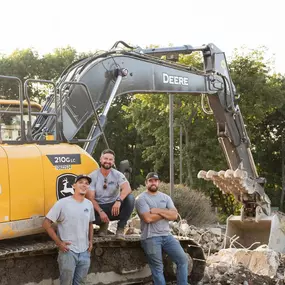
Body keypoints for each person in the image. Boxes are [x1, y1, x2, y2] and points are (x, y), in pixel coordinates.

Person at [135, 172, 189, 285]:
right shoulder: (141, 199)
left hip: (167, 236)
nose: (153, 183)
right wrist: (166, 213)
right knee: (158, 268)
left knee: (183, 260)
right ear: (146, 183)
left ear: (158, 182)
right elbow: (148, 218)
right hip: (150, 237)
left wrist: (157, 210)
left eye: (155, 180)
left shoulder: (165, 197)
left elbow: (174, 216)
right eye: (150, 181)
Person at [42, 174, 95, 285]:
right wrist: (59, 243)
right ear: (74, 186)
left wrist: (90, 241)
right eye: (80, 182)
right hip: (68, 251)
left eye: (86, 183)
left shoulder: (89, 204)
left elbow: (90, 224)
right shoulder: (62, 203)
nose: (84, 185)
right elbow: (46, 224)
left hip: (85, 251)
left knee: (80, 282)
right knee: (66, 283)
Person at [86, 149, 135, 239]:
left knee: (130, 198)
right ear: (100, 159)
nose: (107, 161)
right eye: (105, 158)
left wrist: (119, 200)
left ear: (113, 162)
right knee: (85, 208)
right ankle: (103, 224)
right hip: (98, 208)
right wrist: (101, 212)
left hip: (114, 207)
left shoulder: (117, 175)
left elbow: (127, 188)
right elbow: (90, 198)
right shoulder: (92, 176)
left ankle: (120, 228)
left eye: (110, 159)